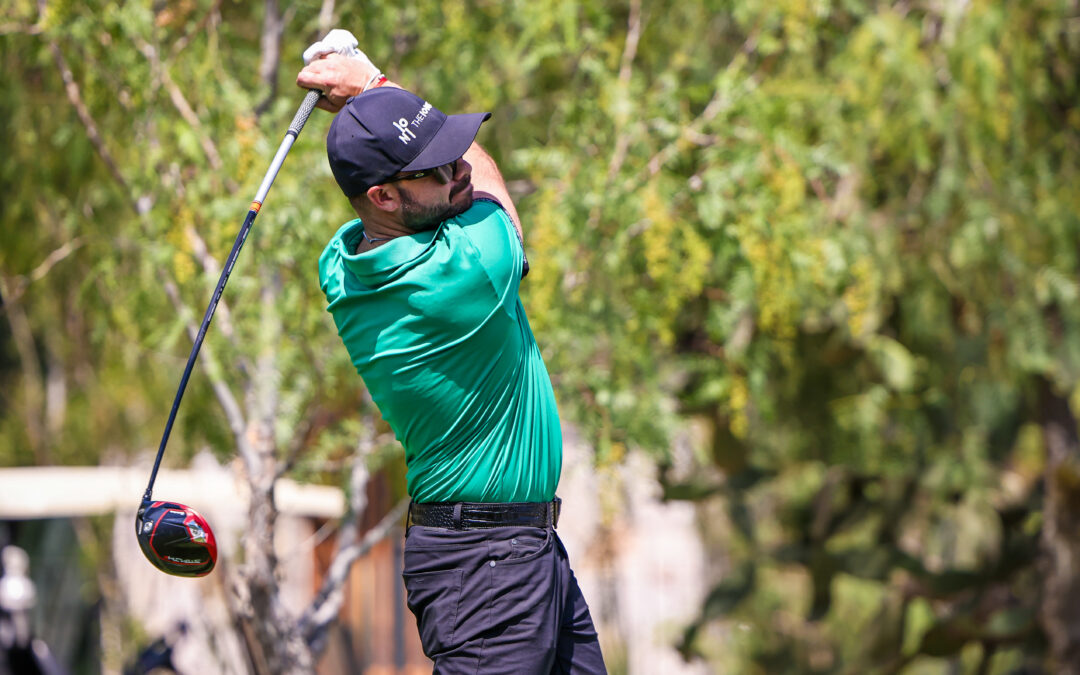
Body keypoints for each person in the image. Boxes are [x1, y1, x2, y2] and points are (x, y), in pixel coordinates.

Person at [296, 31, 607, 674]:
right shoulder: (464, 273)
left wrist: (374, 120)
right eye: (437, 167)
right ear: (382, 196)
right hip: (486, 566)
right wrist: (373, 86)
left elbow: (412, 195)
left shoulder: (345, 264)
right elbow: (494, 191)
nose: (459, 167)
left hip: (513, 552)